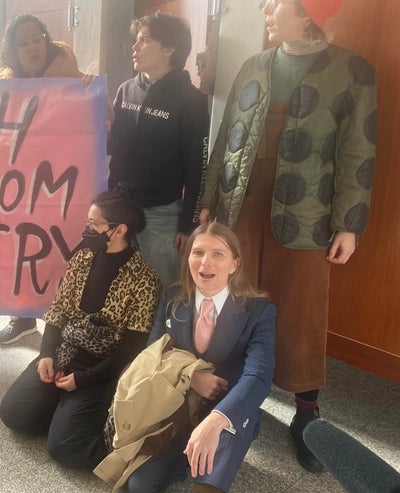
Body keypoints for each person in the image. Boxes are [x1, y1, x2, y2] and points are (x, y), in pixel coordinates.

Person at [198, 0, 376, 473]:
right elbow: (226, 136)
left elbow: (358, 149)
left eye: (276, 3)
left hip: (308, 212)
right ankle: (232, 394)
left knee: (301, 308)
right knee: (237, 302)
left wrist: (348, 224)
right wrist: (209, 199)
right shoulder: (254, 65)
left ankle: (307, 414)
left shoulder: (353, 72)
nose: (265, 10)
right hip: (242, 205)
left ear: (309, 11)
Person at [0, 186, 161, 470]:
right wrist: (47, 354)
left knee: (65, 449)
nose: (87, 229)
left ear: (119, 229)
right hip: (64, 352)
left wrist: (83, 380)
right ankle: (63, 408)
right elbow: (58, 310)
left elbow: (131, 348)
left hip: (99, 369)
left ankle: (94, 420)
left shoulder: (145, 279)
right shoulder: (82, 258)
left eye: (94, 224)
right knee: (14, 415)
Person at [125, 222, 275, 493]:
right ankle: (180, 458)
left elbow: (258, 375)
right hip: (177, 402)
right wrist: (190, 377)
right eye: (198, 252)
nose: (205, 262)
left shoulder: (259, 311)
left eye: (218, 254)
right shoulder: (172, 297)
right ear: (188, 258)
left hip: (229, 408)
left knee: (207, 488)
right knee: (139, 486)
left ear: (234, 264)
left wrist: (217, 419)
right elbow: (152, 355)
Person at [0, 13, 85, 345]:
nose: (33, 46)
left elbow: (104, 120)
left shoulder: (73, 76)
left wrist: (93, 95)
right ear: (13, 51)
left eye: (38, 38)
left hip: (61, 183)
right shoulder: (4, 84)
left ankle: (64, 321)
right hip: (21, 185)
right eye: (24, 42)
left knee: (62, 250)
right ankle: (22, 318)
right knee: (21, 251)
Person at [108, 11, 209, 292]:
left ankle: (167, 337)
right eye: (136, 40)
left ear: (169, 48)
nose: (135, 47)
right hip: (121, 205)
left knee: (165, 288)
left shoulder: (191, 100)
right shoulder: (126, 90)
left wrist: (188, 224)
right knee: (123, 284)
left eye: (144, 40)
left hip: (162, 212)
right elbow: (112, 147)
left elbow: (197, 166)